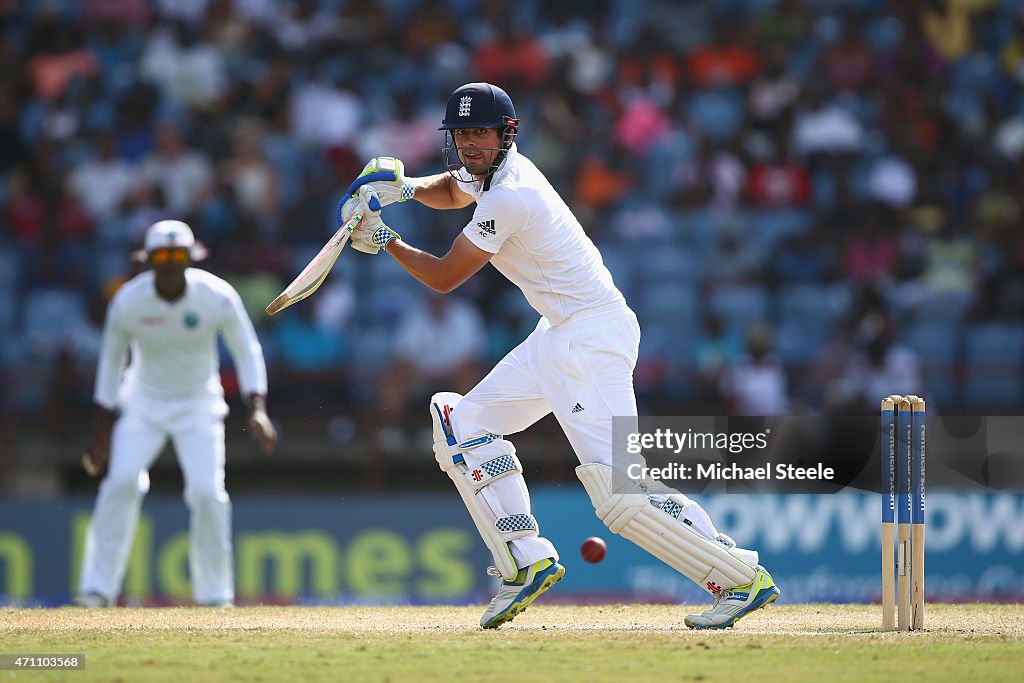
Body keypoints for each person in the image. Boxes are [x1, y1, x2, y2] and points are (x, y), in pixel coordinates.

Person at [338, 82, 780, 629]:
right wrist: (401, 189)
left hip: (591, 338)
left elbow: (447, 276)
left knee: (618, 491)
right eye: (461, 135)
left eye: (481, 134)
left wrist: (382, 238)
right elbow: (452, 191)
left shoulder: (511, 194)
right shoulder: (489, 177)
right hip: (558, 334)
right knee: (461, 426)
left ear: (507, 134)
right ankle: (523, 560)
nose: (470, 145)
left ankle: (738, 577)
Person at [74, 220, 277, 608]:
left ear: (191, 258)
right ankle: (97, 589)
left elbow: (247, 351)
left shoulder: (216, 296)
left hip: (199, 405)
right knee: (121, 483)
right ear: (147, 261)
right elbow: (110, 365)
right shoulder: (127, 302)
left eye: (177, 256)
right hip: (142, 404)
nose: (169, 265)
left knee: (206, 493)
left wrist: (258, 410)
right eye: (161, 257)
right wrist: (100, 433)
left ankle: (215, 596)